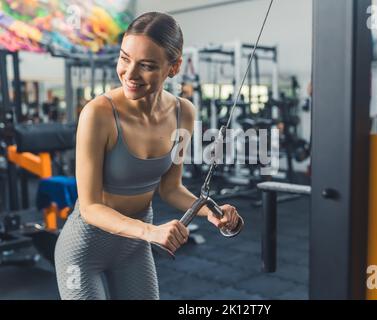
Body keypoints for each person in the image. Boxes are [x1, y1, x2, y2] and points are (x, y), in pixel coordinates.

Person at [54, 12, 241, 300]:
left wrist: (213, 213)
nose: (130, 74)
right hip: (84, 249)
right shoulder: (98, 114)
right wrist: (150, 232)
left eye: (147, 66)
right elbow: (90, 208)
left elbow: (171, 188)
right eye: (124, 58)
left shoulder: (183, 113)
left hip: (132, 250)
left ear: (174, 66)